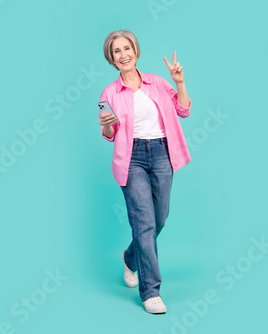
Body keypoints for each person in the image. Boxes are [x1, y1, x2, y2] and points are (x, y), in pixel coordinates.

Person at [98, 29, 192, 314]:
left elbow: (184, 110)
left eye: (127, 48)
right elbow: (108, 134)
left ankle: (130, 258)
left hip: (163, 153)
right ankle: (150, 291)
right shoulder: (108, 93)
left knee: (159, 218)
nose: (123, 54)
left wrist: (180, 82)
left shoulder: (158, 83)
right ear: (112, 59)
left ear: (136, 52)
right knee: (144, 224)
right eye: (117, 51)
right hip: (132, 158)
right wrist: (106, 123)